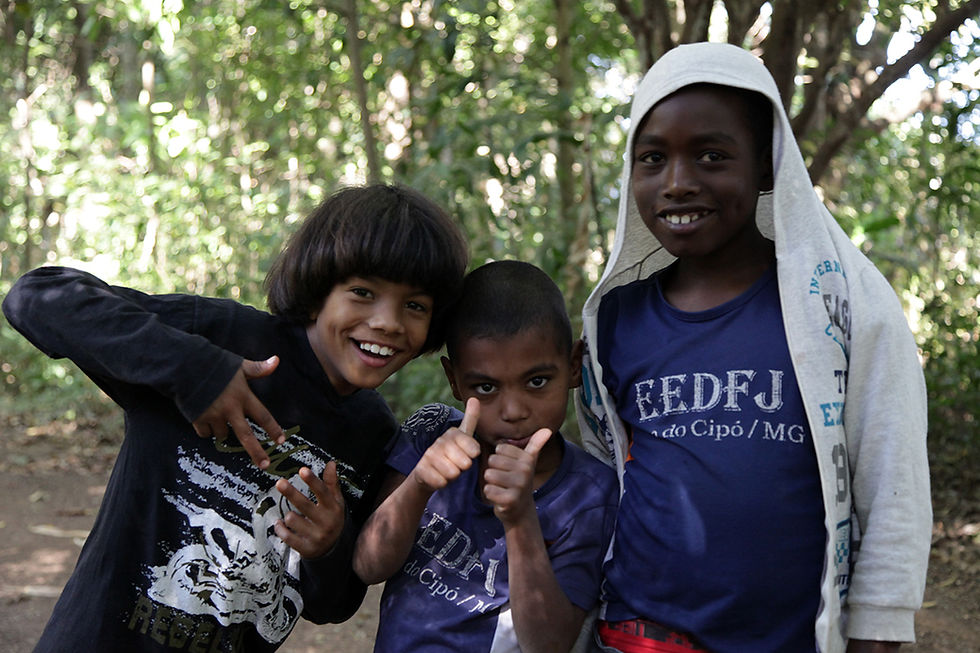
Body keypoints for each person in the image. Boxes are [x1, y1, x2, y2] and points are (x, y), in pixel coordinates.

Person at [2, 183, 468, 652]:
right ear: (316, 290)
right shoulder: (225, 338)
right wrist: (195, 370)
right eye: (363, 292)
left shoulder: (372, 435)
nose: (388, 321)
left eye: (414, 306)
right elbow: (36, 297)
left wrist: (327, 548)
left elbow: (333, 605)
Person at [575, 43, 931, 653]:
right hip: (637, 635)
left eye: (712, 155)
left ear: (767, 165)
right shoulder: (615, 320)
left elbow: (892, 473)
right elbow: (604, 475)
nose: (679, 182)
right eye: (653, 158)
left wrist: (878, 625)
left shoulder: (837, 307)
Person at [354, 260, 619, 653]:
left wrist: (520, 518)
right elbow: (369, 566)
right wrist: (420, 483)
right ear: (454, 380)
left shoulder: (590, 492)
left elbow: (548, 644)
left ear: (574, 365)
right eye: (487, 387)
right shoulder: (431, 432)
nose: (513, 411)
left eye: (537, 381)